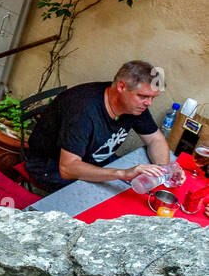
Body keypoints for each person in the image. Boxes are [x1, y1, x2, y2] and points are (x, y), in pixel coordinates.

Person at [25, 60, 183, 192]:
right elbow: (68, 168)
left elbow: (155, 139)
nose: (148, 103)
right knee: (111, 205)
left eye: (152, 98)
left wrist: (163, 170)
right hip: (51, 167)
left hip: (96, 160)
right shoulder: (83, 109)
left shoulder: (133, 106)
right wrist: (122, 173)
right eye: (143, 96)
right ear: (121, 87)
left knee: (133, 192)